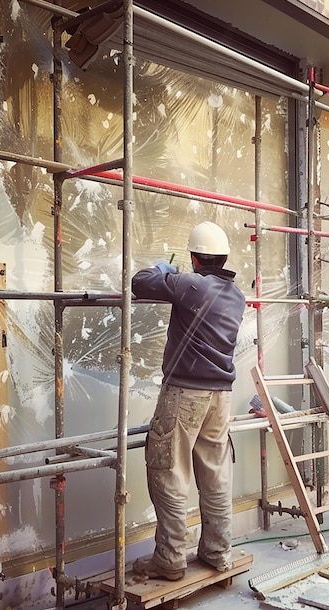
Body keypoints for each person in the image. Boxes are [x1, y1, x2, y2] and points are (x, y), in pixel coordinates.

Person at [131, 221, 246, 580]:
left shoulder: (190, 284)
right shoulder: (236, 294)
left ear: (195, 259)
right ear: (224, 258)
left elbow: (139, 282)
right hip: (220, 396)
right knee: (215, 475)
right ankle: (216, 550)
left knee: (169, 472)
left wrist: (161, 269)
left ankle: (169, 558)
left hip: (184, 394)